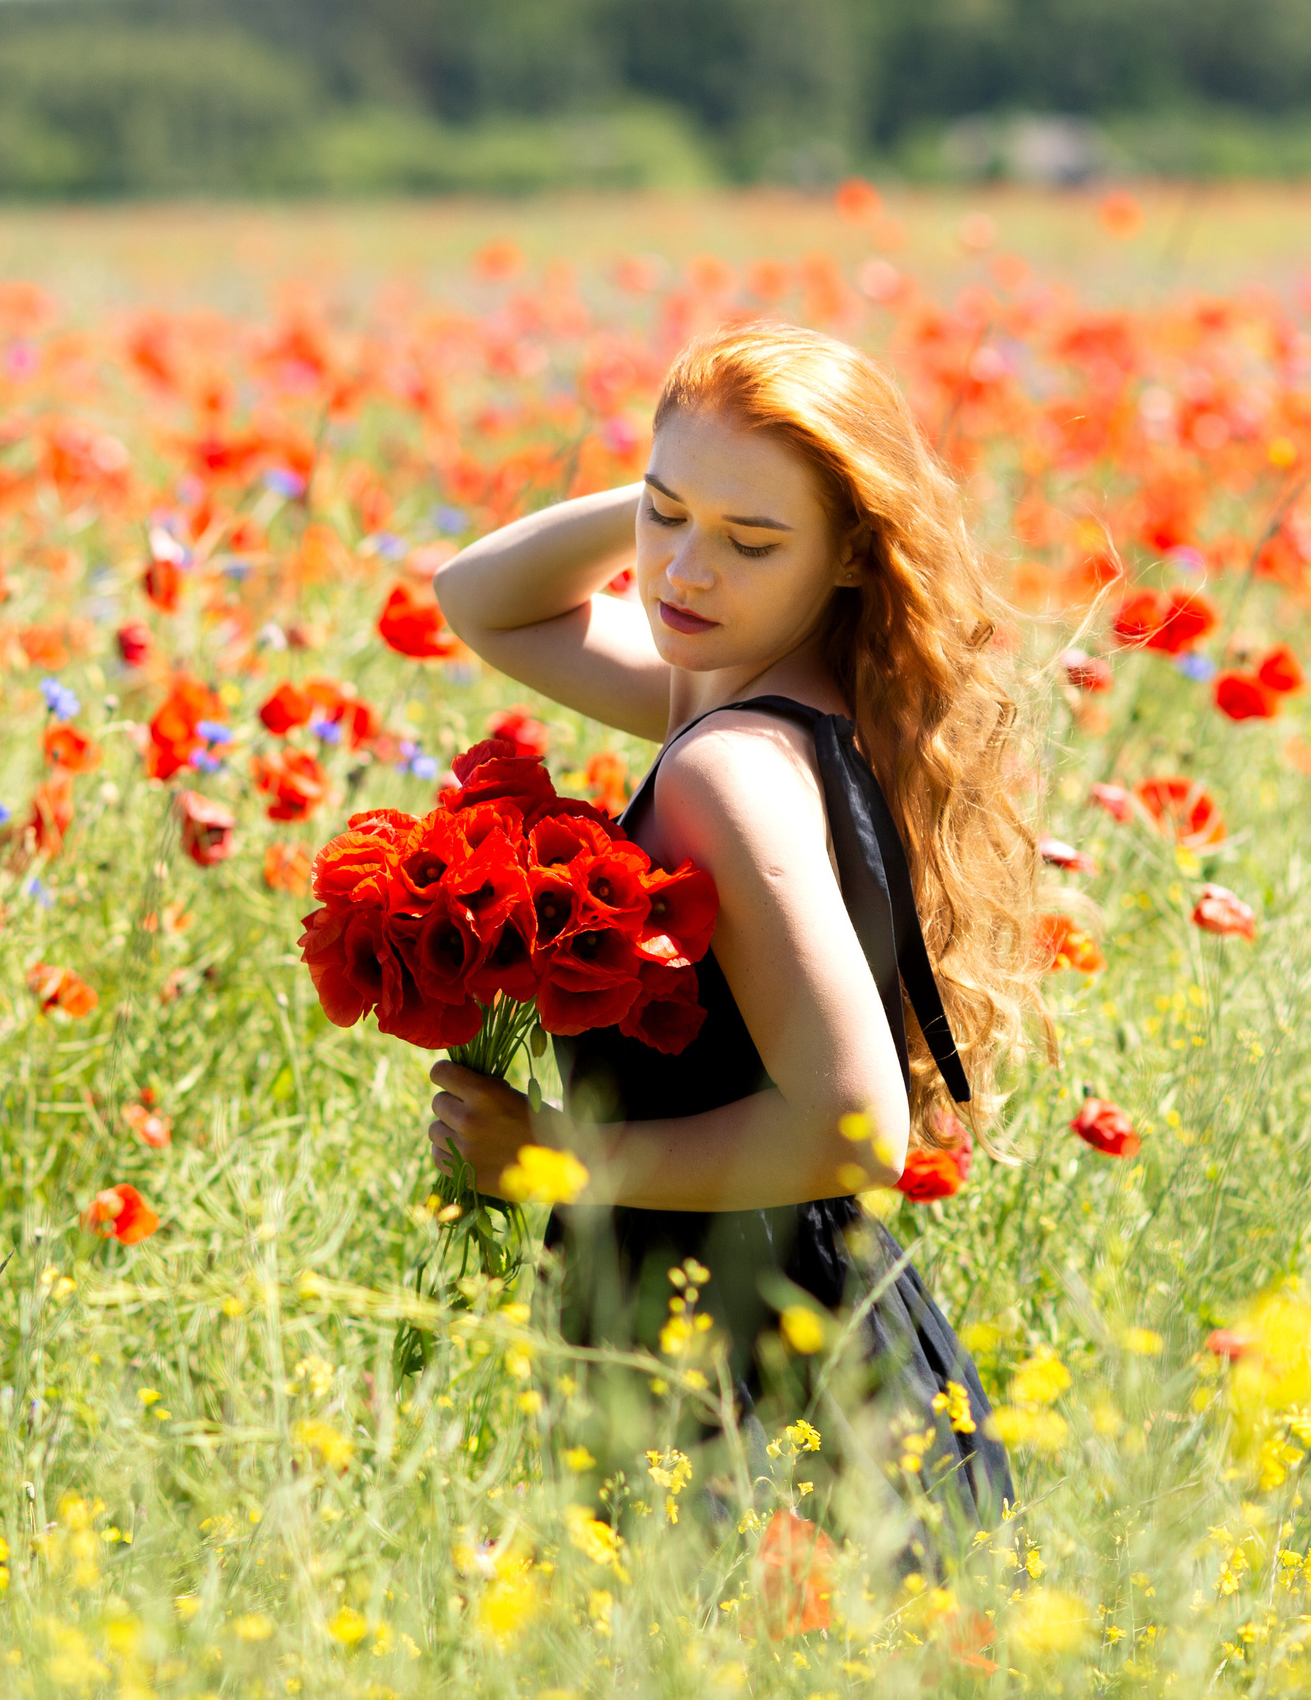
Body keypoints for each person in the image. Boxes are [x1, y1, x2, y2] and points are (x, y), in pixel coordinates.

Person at [425, 319, 1043, 1552]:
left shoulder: (731, 768)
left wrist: (555, 1159)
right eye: (663, 519)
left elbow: (856, 1129)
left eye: (752, 542)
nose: (685, 575)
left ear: (854, 550)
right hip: (790, 1316)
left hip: (743, 1362)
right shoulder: (765, 692)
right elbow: (480, 600)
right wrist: (710, 488)